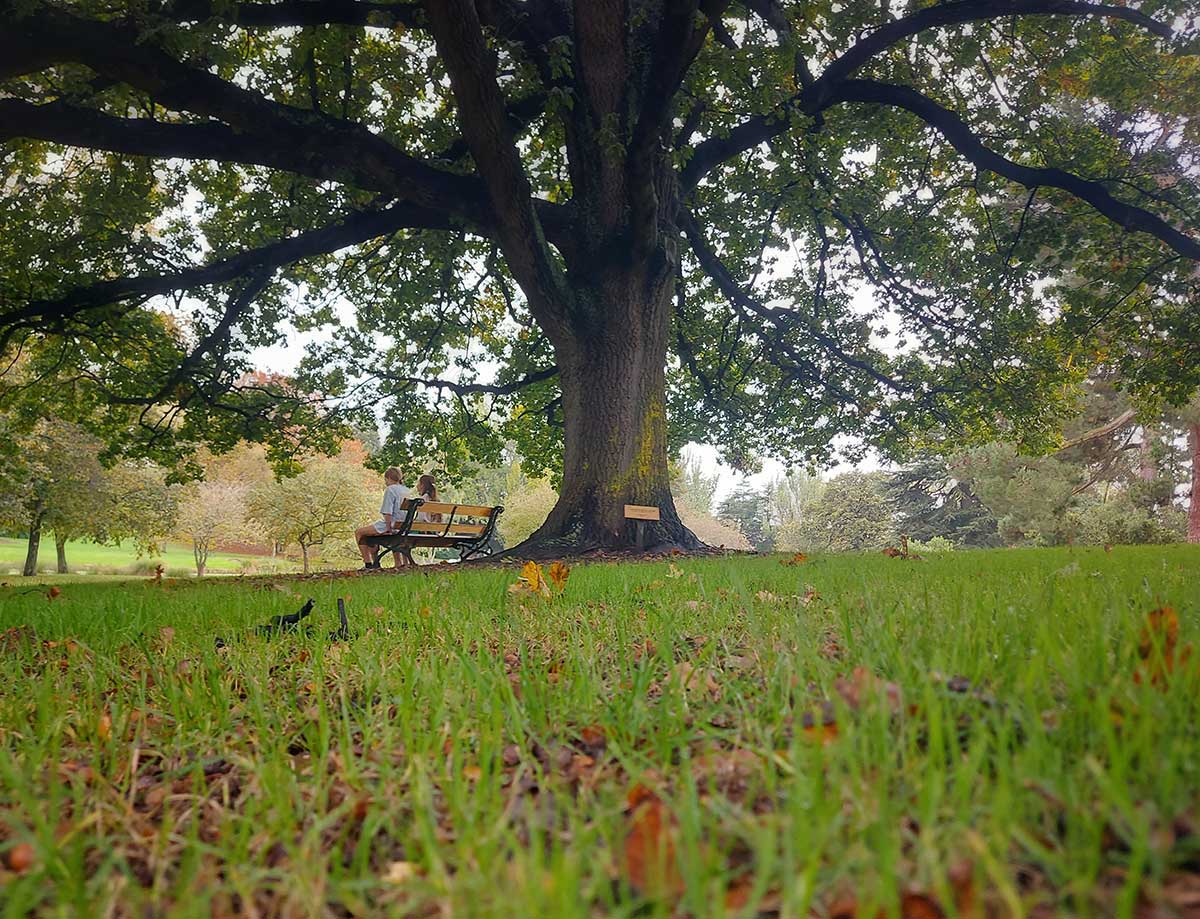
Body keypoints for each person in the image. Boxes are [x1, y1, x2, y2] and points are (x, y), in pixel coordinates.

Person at [354, 467, 410, 570]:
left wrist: (389, 529)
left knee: (359, 532)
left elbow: (387, 512)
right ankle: (394, 562)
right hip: (404, 526)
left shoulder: (390, 490)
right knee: (371, 536)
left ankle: (368, 563)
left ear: (388, 478)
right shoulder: (406, 490)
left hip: (392, 525)